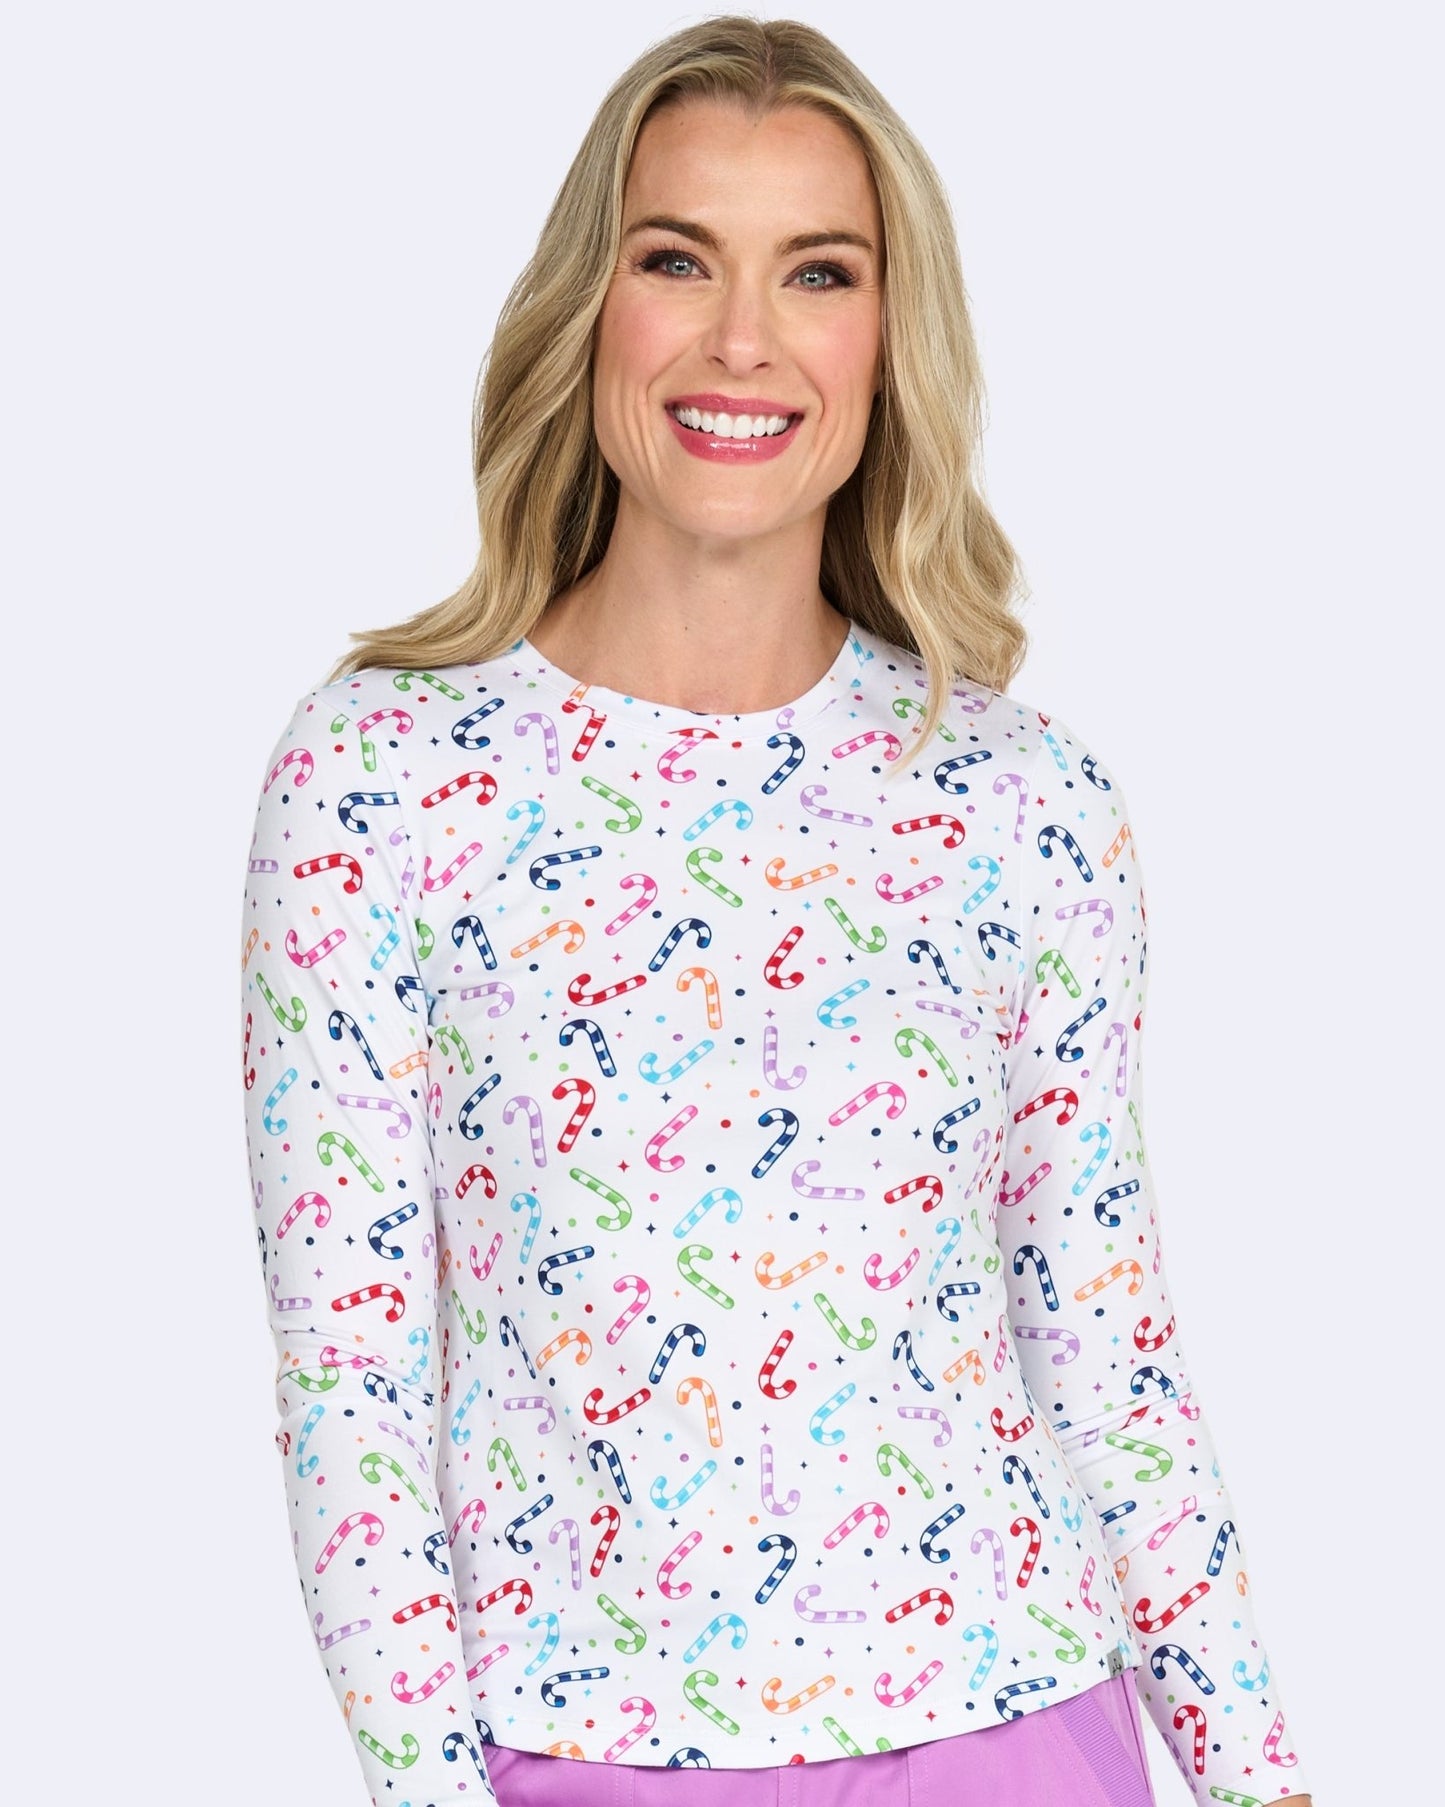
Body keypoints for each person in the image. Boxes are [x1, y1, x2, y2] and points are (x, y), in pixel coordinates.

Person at [240, 16, 1314, 1806]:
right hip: (588, 1751)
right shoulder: (382, 778)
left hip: (1021, 1735)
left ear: (886, 341)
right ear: (590, 307)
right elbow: (349, 1393)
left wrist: (1259, 1777)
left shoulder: (1021, 800)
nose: (742, 338)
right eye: (677, 259)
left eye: (818, 272)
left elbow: (1106, 1350)